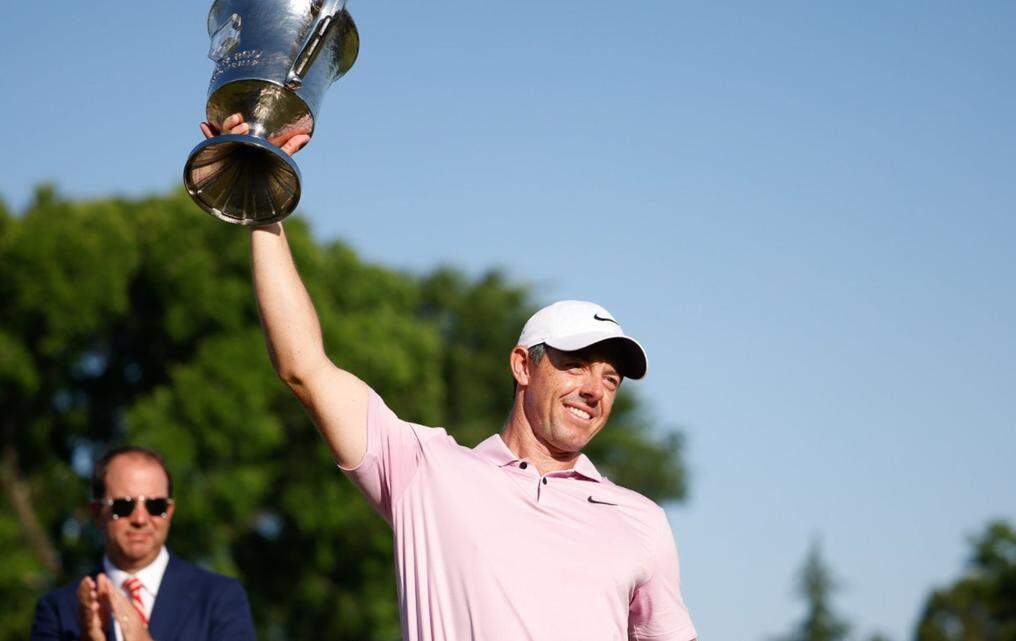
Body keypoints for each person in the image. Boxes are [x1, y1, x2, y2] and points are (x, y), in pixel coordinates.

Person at [205, 115, 697, 640]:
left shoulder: (640, 521)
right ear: (522, 366)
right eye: (575, 364)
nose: (594, 390)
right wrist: (263, 209)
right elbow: (303, 367)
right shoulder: (427, 470)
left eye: (611, 379)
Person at [30, 446, 256, 641]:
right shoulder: (59, 610)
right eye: (123, 506)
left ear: (169, 511)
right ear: (97, 512)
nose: (140, 519)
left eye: (155, 506)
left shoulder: (220, 598)